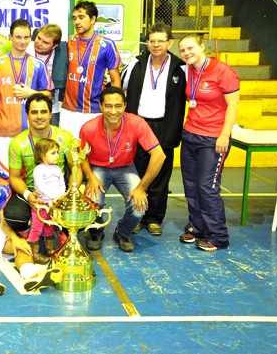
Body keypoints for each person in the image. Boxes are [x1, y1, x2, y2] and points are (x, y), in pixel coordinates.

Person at [0, 145, 64, 293]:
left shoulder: (3, 186)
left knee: (21, 246)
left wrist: (14, 238)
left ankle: (32, 276)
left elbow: (3, 221)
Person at [79, 86, 166, 252]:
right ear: (101, 106)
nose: (113, 111)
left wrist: (142, 188)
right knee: (93, 201)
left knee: (139, 205)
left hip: (125, 167)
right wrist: (90, 177)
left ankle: (122, 233)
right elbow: (82, 156)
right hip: (98, 167)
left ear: (125, 106)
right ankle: (96, 232)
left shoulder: (137, 123)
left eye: (118, 106)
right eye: (108, 106)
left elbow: (159, 155)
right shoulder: (88, 128)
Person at [122, 23, 187, 236]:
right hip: (139, 125)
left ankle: (154, 218)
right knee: (137, 173)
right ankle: (137, 216)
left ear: (170, 43)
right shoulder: (135, 64)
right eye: (152, 41)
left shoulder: (180, 68)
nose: (156, 45)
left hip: (165, 126)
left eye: (161, 40)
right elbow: (121, 88)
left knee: (161, 175)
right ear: (147, 43)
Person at [178, 34, 240, 251]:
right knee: (191, 186)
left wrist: (224, 135)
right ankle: (196, 228)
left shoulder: (223, 71)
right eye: (183, 50)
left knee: (207, 187)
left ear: (202, 47)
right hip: (190, 135)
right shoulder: (191, 71)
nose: (186, 53)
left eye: (190, 48)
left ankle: (217, 235)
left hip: (213, 139)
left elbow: (232, 106)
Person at [4, 93, 78, 236]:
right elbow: (14, 177)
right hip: (33, 193)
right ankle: (36, 223)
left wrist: (69, 194)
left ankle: (54, 225)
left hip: (58, 195)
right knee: (14, 217)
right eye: (34, 112)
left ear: (50, 114)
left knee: (76, 222)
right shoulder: (17, 143)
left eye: (44, 111)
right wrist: (28, 195)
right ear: (27, 115)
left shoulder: (66, 138)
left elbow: (76, 169)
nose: (39, 116)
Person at [0, 19, 52, 178]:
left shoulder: (38, 65)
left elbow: (48, 96)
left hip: (32, 133)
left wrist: (31, 93)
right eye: (18, 37)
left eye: (26, 37)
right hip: (5, 132)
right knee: (5, 178)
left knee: (33, 178)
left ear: (30, 38)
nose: (22, 41)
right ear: (10, 36)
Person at [61, 0, 122, 138]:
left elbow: (115, 79)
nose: (77, 22)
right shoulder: (70, 41)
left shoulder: (107, 45)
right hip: (68, 110)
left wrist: (113, 107)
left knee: (93, 154)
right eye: (75, 18)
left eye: (81, 17)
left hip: (94, 110)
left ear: (93, 19)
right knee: (69, 154)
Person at [30, 138, 66, 264]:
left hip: (53, 203)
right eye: (53, 153)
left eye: (57, 152)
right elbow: (41, 187)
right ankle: (33, 253)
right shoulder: (39, 170)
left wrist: (60, 195)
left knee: (49, 226)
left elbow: (62, 183)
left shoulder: (56, 169)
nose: (57, 156)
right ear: (43, 156)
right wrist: (54, 196)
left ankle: (49, 249)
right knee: (37, 228)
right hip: (41, 205)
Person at [33, 23, 68, 126]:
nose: (39, 43)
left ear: (54, 46)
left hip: (53, 108)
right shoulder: (26, 50)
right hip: (27, 107)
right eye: (39, 38)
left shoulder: (62, 54)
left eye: (45, 42)